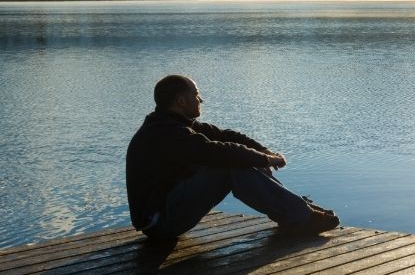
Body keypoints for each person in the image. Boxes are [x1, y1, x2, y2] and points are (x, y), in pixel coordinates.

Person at [126, 74, 339, 238]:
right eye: (196, 95)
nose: (201, 99)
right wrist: (267, 160)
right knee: (230, 166)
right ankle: (300, 216)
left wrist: (263, 151)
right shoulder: (165, 132)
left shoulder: (172, 124)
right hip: (159, 223)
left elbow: (226, 136)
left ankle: (299, 212)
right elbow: (220, 151)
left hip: (167, 213)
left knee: (238, 159)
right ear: (181, 101)